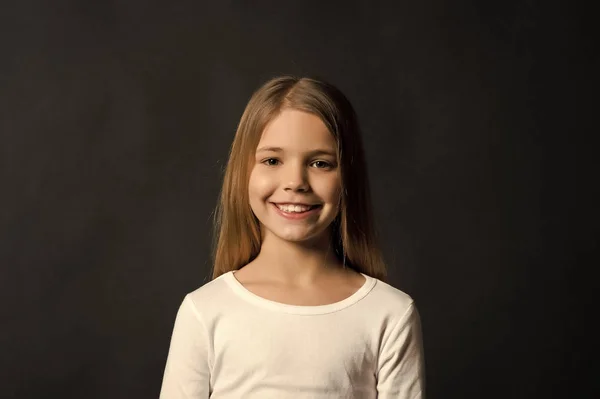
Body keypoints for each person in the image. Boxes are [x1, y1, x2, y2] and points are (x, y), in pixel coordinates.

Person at [159, 76, 425, 398]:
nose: (295, 182)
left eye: (320, 163)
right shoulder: (205, 311)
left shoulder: (389, 314)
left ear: (347, 178)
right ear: (244, 172)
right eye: (272, 160)